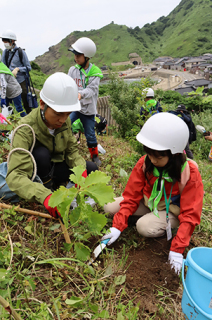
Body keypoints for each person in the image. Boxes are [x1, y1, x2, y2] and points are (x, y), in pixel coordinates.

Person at [102, 112, 204, 275]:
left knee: (144, 227)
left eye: (158, 156)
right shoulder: (145, 163)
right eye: (149, 153)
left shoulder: (189, 173)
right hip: (148, 203)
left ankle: (154, 221)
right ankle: (137, 218)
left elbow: (191, 215)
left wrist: (177, 249)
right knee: (109, 206)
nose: (152, 159)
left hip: (171, 211)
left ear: (174, 153)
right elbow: (131, 197)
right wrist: (117, 226)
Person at [6, 72, 98, 218]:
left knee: (91, 168)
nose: (62, 120)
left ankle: (58, 186)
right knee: (41, 154)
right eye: (58, 114)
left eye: (67, 114)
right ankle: (48, 191)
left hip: (55, 167)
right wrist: (45, 196)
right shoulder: (25, 129)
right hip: (37, 175)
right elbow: (15, 176)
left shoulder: (64, 121)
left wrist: (80, 171)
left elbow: (71, 150)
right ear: (42, 104)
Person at [68, 37, 103, 167]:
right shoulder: (73, 70)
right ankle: (65, 148)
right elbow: (69, 84)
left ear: (87, 56)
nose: (76, 57)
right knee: (66, 124)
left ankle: (94, 156)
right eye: (75, 54)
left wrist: (80, 94)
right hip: (75, 107)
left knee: (90, 134)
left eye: (78, 55)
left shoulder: (95, 73)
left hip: (88, 110)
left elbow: (92, 90)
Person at [1, 29, 32, 114]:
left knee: (25, 102)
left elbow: (28, 67)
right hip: (10, 82)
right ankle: (12, 120)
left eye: (6, 41)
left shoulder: (21, 52)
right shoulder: (5, 53)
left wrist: (18, 69)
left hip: (21, 81)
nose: (5, 43)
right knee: (8, 104)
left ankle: (29, 118)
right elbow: (3, 67)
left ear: (12, 41)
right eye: (4, 41)